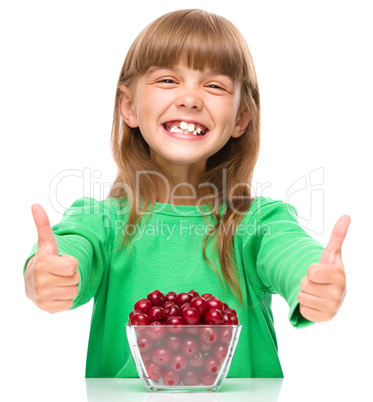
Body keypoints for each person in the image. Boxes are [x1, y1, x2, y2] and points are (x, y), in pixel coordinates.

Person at [23, 9, 350, 379]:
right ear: (129, 106)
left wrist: (313, 280)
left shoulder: (258, 222)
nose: (190, 99)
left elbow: (290, 253)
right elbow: (71, 250)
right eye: (167, 79)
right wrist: (47, 274)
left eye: (214, 86)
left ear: (241, 118)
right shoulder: (101, 221)